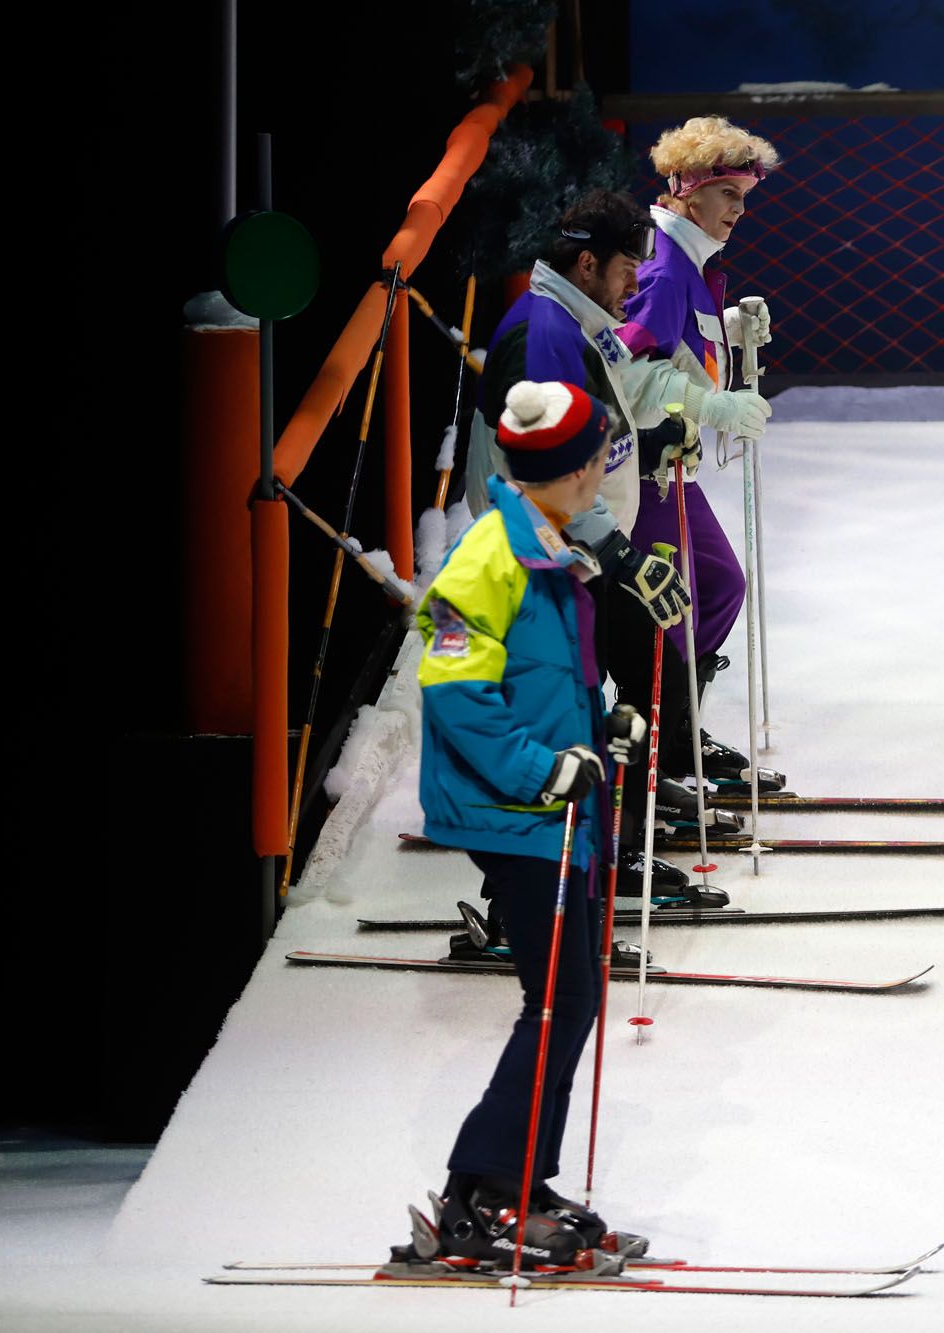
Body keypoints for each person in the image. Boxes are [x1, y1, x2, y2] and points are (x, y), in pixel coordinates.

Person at [417, 380, 650, 1267]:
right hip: (517, 814)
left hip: (557, 812)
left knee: (568, 999)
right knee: (557, 1000)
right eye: (594, 459)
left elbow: (543, 676)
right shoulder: (490, 554)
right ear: (565, 467)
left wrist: (601, 723)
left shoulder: (547, 544)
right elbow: (455, 691)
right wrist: (541, 769)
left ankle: (519, 1180)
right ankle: (479, 1190)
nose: (602, 472)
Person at [463, 188, 729, 907]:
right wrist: (619, 554)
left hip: (582, 549)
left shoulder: (581, 318)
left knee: (649, 674)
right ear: (586, 264)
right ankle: (515, 903)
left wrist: (650, 439)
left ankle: (620, 856)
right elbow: (543, 472)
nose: (636, 284)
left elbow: (590, 427)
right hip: (541, 559)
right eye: (625, 269)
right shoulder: (545, 334)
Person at [616, 115, 784, 795]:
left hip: (671, 466)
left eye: (744, 197)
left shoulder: (688, 259)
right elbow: (624, 370)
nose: (740, 212)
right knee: (673, 602)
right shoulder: (662, 264)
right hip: (637, 468)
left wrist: (732, 334)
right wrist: (712, 405)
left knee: (717, 584)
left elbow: (680, 348)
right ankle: (655, 752)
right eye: (729, 196)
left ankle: (675, 734)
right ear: (688, 189)